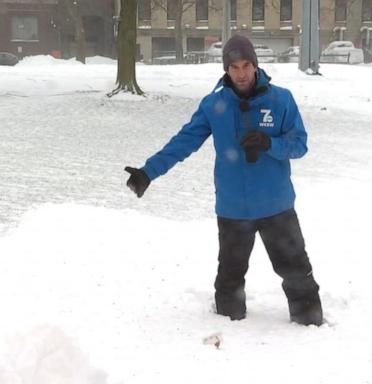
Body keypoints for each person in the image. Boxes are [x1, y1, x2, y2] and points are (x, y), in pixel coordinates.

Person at [125, 34, 323, 326]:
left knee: (296, 270)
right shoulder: (214, 105)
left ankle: (309, 324)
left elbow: (300, 144)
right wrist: (147, 172)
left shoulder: (281, 99)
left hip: (276, 206)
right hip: (234, 209)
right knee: (230, 279)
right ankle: (227, 330)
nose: (241, 73)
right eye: (234, 67)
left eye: (246, 65)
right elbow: (184, 142)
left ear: (255, 66)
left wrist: (271, 144)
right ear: (226, 69)